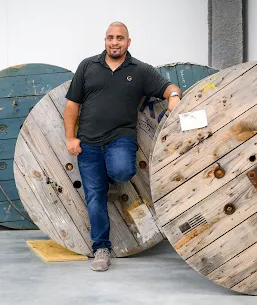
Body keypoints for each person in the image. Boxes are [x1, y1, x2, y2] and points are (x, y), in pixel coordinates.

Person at [64, 22, 182, 271]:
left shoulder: (139, 70)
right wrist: (70, 138)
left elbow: (167, 87)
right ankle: (101, 249)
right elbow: (72, 105)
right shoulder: (88, 66)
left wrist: (174, 97)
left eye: (119, 38)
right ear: (104, 40)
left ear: (128, 42)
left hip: (120, 138)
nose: (114, 42)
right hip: (89, 143)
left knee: (122, 171)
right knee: (95, 196)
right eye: (110, 38)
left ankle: (109, 176)